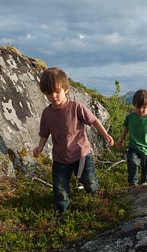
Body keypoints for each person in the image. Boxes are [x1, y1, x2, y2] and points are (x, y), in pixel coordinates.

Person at [33, 67, 114, 213]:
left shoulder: (76, 107)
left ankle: (95, 197)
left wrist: (105, 135)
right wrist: (40, 147)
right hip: (60, 158)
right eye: (49, 93)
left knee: (88, 181)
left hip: (81, 155)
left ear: (66, 90)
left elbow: (94, 121)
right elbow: (44, 133)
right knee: (60, 188)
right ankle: (62, 213)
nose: (54, 96)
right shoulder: (47, 113)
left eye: (57, 91)